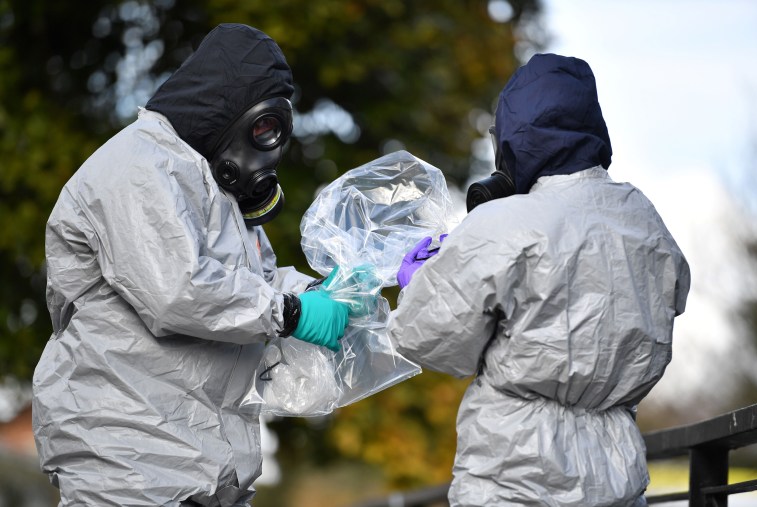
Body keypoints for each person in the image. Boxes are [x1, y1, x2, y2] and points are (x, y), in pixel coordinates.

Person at [32, 23, 350, 507]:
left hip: (198, 465)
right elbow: (178, 291)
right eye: (263, 127)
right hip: (127, 461)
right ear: (228, 105)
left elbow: (251, 283)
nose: (269, 147)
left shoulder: (209, 186)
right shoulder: (138, 165)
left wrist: (332, 288)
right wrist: (290, 313)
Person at [388, 53, 691, 506]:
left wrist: (420, 282)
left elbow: (424, 337)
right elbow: (674, 294)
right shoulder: (642, 217)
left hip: (515, 474)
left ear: (512, 137)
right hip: (617, 472)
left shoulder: (502, 223)